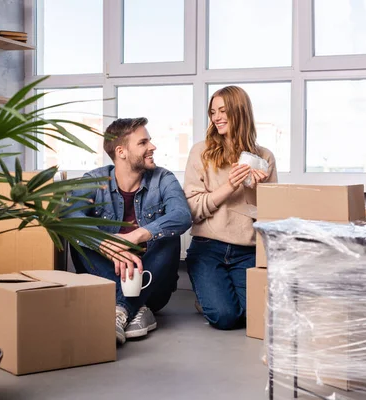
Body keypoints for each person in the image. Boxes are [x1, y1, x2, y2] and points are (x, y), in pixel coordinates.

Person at [68, 117, 192, 345]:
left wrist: (136, 236)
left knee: (168, 237)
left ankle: (120, 310)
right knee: (79, 237)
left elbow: (182, 215)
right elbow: (69, 217)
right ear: (121, 151)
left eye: (149, 141)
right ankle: (135, 310)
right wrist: (105, 244)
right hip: (110, 276)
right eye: (143, 143)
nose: (152, 147)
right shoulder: (94, 180)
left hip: (151, 283)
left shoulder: (163, 178)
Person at [183, 86, 278, 330]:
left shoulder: (265, 157)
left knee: (252, 316)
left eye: (223, 111)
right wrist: (230, 185)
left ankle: (212, 296)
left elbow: (271, 216)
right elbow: (193, 209)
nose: (216, 117)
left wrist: (258, 187)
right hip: (208, 248)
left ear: (240, 112)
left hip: (247, 250)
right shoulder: (201, 152)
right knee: (225, 318)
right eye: (213, 112)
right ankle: (209, 297)